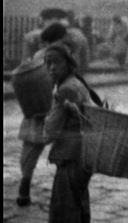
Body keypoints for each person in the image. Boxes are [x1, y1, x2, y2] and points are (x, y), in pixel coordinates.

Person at [43, 41, 100, 223]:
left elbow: (50, 132)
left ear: (68, 63)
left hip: (69, 157)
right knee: (80, 210)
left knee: (66, 213)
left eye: (55, 63)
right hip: (85, 156)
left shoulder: (64, 90)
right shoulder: (78, 83)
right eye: (47, 64)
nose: (51, 68)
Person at [16, 16, 88, 207]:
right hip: (59, 106)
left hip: (38, 106)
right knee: (66, 150)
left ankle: (25, 186)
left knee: (30, 149)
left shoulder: (40, 54)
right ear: (62, 37)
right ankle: (65, 189)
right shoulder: (67, 52)